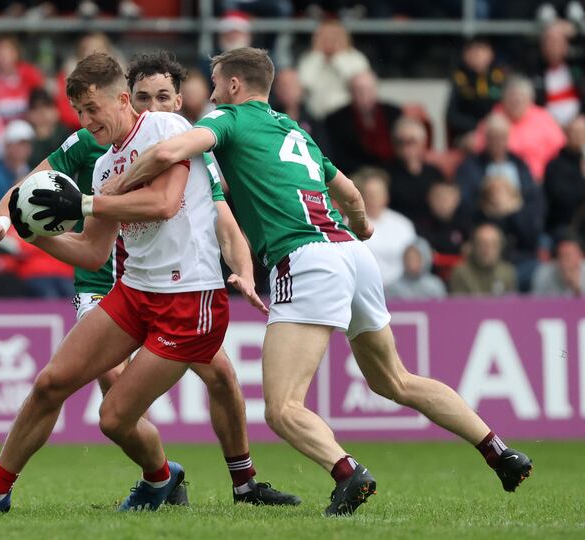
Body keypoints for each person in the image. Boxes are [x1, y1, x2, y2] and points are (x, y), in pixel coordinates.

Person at [105, 47, 532, 516]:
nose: (207, 92)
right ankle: (498, 449)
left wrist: (110, 191)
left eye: (213, 82)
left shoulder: (227, 118)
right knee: (396, 379)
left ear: (232, 86)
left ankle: (347, 472)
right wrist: (362, 225)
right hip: (352, 252)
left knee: (282, 407)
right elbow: (347, 190)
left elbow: (168, 150)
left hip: (305, 259)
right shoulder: (294, 130)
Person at [0, 52, 291, 515]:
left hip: (189, 302)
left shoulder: (166, 131)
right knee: (50, 383)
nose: (85, 121)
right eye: (79, 113)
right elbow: (91, 252)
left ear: (123, 100)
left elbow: (164, 204)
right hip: (134, 294)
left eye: (92, 110)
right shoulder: (104, 167)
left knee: (114, 418)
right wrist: (31, 233)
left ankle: (177, 478)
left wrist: (84, 205)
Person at [471, 75, 565, 181]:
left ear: (530, 99)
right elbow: (479, 148)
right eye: (512, 96)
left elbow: (559, 149)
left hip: (541, 179)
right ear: (503, 99)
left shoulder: (543, 118)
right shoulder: (494, 119)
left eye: (521, 96)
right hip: (503, 181)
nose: (516, 100)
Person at [456, 113, 544, 226]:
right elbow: (466, 198)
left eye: (501, 137)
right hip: (484, 222)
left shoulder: (519, 164)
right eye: (493, 137)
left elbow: (532, 196)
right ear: (486, 138)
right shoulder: (471, 165)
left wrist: (514, 209)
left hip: (517, 223)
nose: (497, 142)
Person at [325, 70, 402, 174]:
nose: (364, 94)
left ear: (375, 90)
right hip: (354, 175)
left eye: (368, 89)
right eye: (359, 90)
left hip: (392, 173)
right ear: (350, 92)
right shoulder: (335, 120)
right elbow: (337, 157)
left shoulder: (393, 113)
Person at [354, 167, 416, 288]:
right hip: (365, 285)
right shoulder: (351, 223)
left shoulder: (403, 224)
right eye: (369, 194)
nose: (374, 199)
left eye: (378, 193)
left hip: (403, 287)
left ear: (386, 195)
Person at [297, 19, 370, 119]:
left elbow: (357, 85)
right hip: (316, 116)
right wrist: (317, 55)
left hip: (346, 116)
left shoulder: (356, 58)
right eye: (324, 36)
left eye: (334, 35)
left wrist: (338, 57)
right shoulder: (310, 58)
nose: (329, 39)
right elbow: (304, 83)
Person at [446, 38, 505, 149]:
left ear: (491, 54)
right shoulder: (459, 80)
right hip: (470, 133)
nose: (477, 54)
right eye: (473, 50)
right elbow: (452, 116)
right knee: (474, 143)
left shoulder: (500, 78)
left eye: (482, 50)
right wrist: (479, 127)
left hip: (497, 131)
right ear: (465, 55)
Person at [386, 116, 445, 225]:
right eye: (400, 142)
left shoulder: (434, 173)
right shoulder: (386, 175)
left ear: (423, 143)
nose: (405, 147)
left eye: (411, 142)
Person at [0, 34, 45, 122]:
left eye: (8, 51)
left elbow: (41, 101)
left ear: (16, 53)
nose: (4, 55)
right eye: (0, 51)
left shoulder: (29, 74)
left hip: (25, 127)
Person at [531, 20, 585, 126]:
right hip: (546, 128)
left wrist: (577, 33)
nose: (552, 46)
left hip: (579, 126)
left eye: (557, 41)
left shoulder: (578, 68)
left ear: (566, 45)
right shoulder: (533, 71)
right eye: (548, 41)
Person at [544, 114, 585, 241]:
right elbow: (563, 200)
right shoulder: (554, 165)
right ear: (566, 134)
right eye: (574, 132)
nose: (577, 136)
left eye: (581, 132)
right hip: (564, 226)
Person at [0, 119, 34, 214]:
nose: (24, 148)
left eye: (27, 144)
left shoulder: (31, 171)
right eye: (20, 144)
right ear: (7, 146)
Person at [450, 223, 518, 296]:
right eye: (482, 244)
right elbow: (458, 305)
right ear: (473, 246)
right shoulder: (460, 273)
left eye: (493, 244)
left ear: (500, 247)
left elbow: (511, 304)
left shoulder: (508, 272)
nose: (487, 249)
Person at [26, 88, 71, 166]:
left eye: (47, 106)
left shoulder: (67, 134)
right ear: (29, 114)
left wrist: (46, 139)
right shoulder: (25, 136)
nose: (42, 112)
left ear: (56, 111)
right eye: (36, 108)